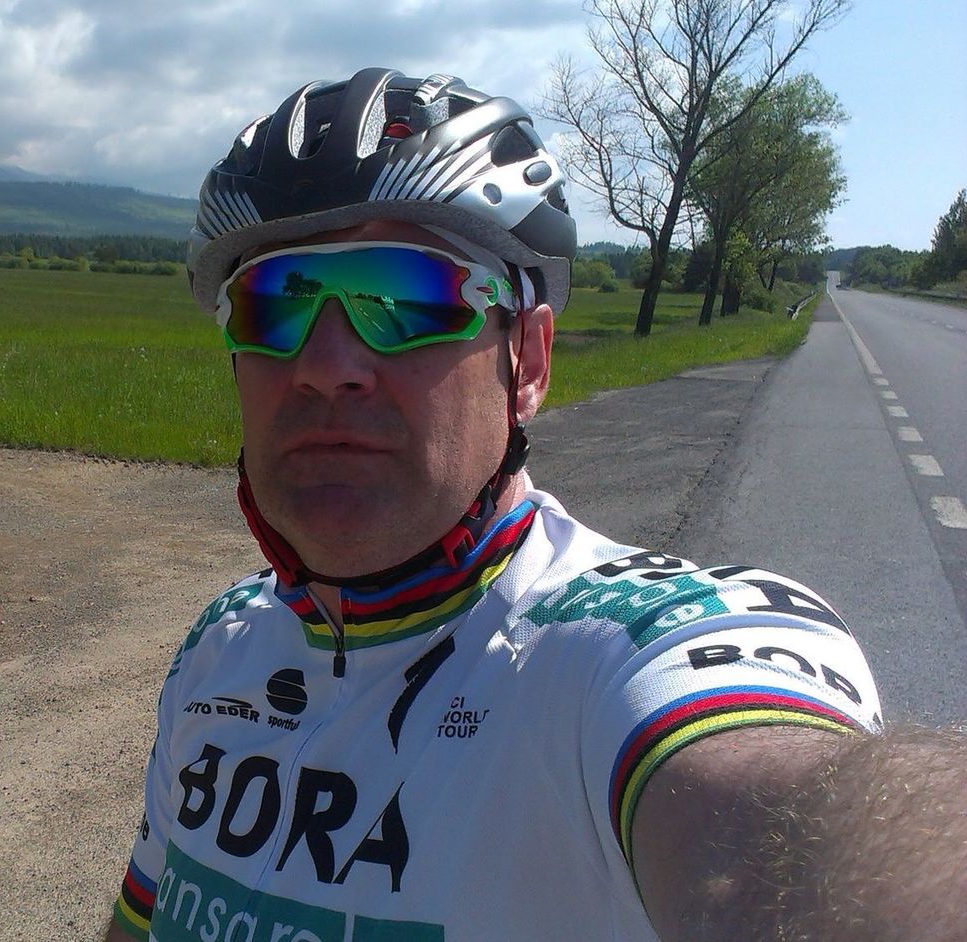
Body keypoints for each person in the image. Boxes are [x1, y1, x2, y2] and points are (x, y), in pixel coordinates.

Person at [103, 68, 964, 941]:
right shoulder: (219, 648)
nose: (326, 368)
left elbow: (801, 823)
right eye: (271, 306)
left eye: (402, 299)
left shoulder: (622, 650)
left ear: (529, 363)